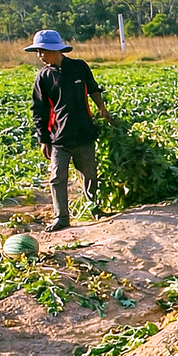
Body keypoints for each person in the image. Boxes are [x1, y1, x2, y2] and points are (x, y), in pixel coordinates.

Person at [28, 29, 114, 232]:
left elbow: (93, 89)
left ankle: (94, 208)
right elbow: (39, 110)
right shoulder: (44, 77)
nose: (40, 56)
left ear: (55, 50)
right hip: (60, 137)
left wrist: (104, 112)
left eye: (42, 51)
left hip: (84, 132)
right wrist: (43, 139)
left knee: (90, 174)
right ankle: (62, 218)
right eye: (38, 52)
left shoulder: (78, 67)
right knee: (58, 177)